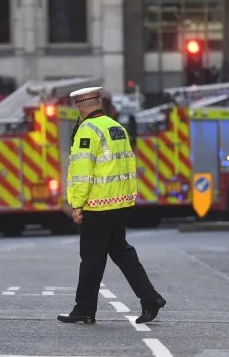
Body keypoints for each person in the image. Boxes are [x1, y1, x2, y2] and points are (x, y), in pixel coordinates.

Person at [58, 86, 166, 325]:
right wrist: (128, 197)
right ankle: (150, 298)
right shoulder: (116, 127)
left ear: (80, 106)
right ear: (99, 103)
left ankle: (84, 309)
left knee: (91, 258)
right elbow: (127, 165)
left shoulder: (87, 131)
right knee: (120, 251)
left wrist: (77, 204)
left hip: (97, 204)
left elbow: (82, 172)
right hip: (118, 202)